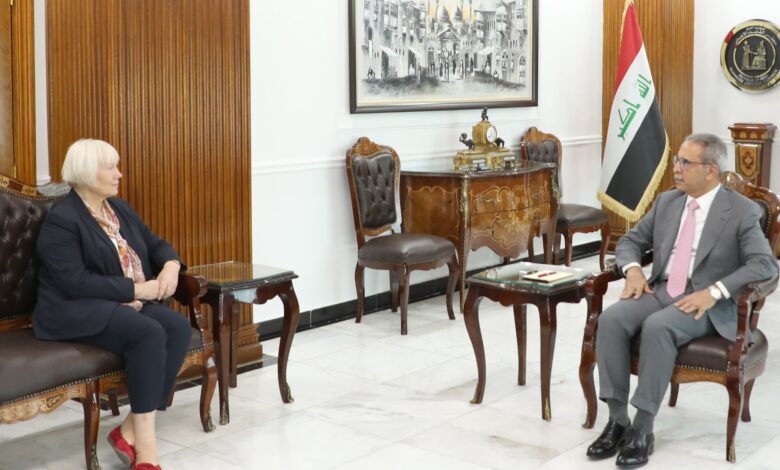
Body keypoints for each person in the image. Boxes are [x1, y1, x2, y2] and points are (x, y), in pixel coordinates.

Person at [586, 133, 778, 468]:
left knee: (658, 327)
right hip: (662, 289)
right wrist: (633, 271)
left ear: (711, 171)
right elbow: (631, 240)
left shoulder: (741, 210)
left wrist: (714, 292)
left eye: (685, 163)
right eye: (677, 160)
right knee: (611, 320)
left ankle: (643, 428)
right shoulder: (668, 202)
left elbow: (765, 264)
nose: (676, 168)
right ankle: (618, 421)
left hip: (706, 302)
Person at [34, 139, 192, 470]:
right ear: (86, 172)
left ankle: (129, 429)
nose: (119, 174)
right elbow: (75, 282)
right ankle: (146, 450)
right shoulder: (63, 219)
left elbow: (155, 244)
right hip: (71, 309)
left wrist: (171, 265)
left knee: (177, 326)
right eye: (110, 167)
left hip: (119, 302)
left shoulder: (119, 209)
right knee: (148, 332)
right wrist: (138, 289)